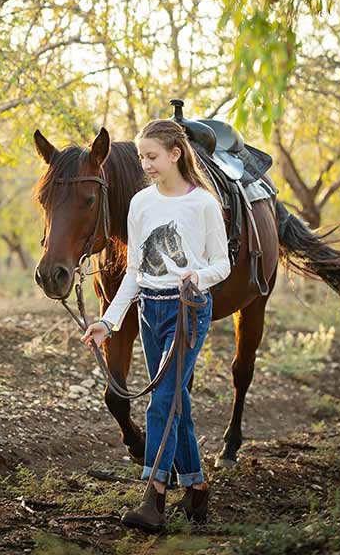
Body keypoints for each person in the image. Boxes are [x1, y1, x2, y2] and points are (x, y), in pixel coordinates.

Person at [81, 118, 231, 533]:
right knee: (175, 398)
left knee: (162, 399)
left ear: (175, 155)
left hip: (189, 309)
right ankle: (197, 485)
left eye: (152, 157)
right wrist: (108, 323)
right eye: (143, 157)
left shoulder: (202, 203)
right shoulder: (141, 204)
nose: (145, 164)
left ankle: (155, 494)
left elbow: (222, 264)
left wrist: (197, 277)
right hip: (151, 310)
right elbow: (133, 272)